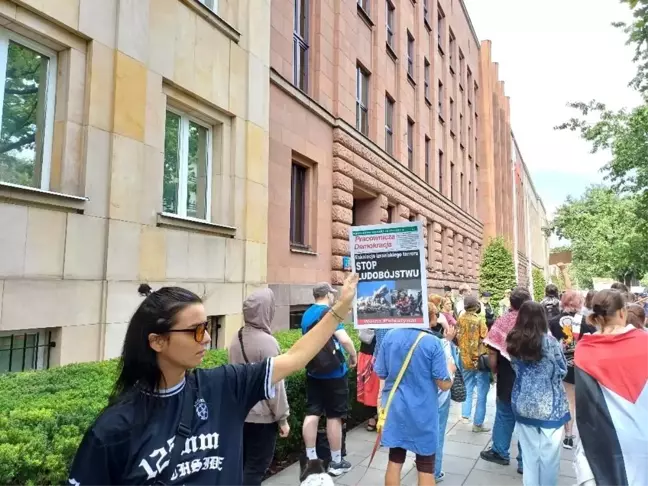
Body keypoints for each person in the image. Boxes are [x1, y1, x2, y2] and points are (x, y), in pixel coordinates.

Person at [67, 274, 359, 486]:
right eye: (195, 331)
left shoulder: (224, 387)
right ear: (157, 341)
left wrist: (340, 309)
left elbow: (295, 357)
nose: (207, 338)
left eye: (206, 327)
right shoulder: (113, 431)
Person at [573, 289, 648, 486]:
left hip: (605, 441)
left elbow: (584, 406)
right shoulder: (645, 342)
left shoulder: (585, 349)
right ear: (623, 312)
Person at [374, 307, 454, 486]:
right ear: (429, 318)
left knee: (394, 460)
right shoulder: (433, 343)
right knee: (426, 465)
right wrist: (450, 371)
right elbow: (444, 383)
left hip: (395, 408)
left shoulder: (390, 336)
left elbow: (381, 372)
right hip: (423, 411)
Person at [228, 289, 290, 486]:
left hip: (240, 414)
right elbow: (275, 386)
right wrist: (283, 418)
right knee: (256, 467)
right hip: (262, 419)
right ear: (265, 311)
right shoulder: (268, 343)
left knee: (243, 464)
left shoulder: (236, 338)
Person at [507, 301, 571, 486]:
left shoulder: (513, 339)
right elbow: (562, 369)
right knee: (549, 458)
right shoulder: (550, 342)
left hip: (523, 401)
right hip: (550, 404)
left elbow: (514, 366)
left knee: (529, 456)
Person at [301, 282, 358, 476]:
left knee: (313, 412)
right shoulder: (329, 313)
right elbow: (344, 339)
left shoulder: (306, 314)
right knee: (334, 416)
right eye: (332, 294)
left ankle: (311, 459)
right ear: (327, 295)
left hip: (313, 371)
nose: (334, 297)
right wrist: (353, 355)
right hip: (334, 373)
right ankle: (335, 462)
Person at [480, 287, 532, 473]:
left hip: (508, 375)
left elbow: (493, 350)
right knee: (527, 420)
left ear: (511, 303)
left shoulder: (503, 321)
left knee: (504, 412)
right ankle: (524, 462)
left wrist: (494, 370)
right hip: (530, 376)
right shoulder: (535, 321)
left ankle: (500, 452)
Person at [547, 290, 596, 449]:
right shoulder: (587, 322)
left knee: (565, 399)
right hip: (582, 365)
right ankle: (576, 435)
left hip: (560, 365)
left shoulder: (553, 321)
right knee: (578, 401)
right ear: (579, 303)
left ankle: (565, 433)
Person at [429, 302, 460, 483]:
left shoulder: (402, 337)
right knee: (437, 433)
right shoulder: (437, 342)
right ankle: (434, 471)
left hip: (414, 398)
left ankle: (423, 465)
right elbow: (448, 372)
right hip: (438, 397)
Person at [456, 295, 491, 433]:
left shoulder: (460, 319)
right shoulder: (479, 321)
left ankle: (465, 415)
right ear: (476, 306)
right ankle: (478, 423)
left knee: (468, 386)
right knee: (482, 391)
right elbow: (486, 338)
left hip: (464, 357)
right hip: (478, 359)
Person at [356, 328, 379, 431]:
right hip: (373, 354)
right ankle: (374, 417)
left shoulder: (364, 315)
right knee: (373, 387)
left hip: (367, 353)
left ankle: (372, 418)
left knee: (369, 388)